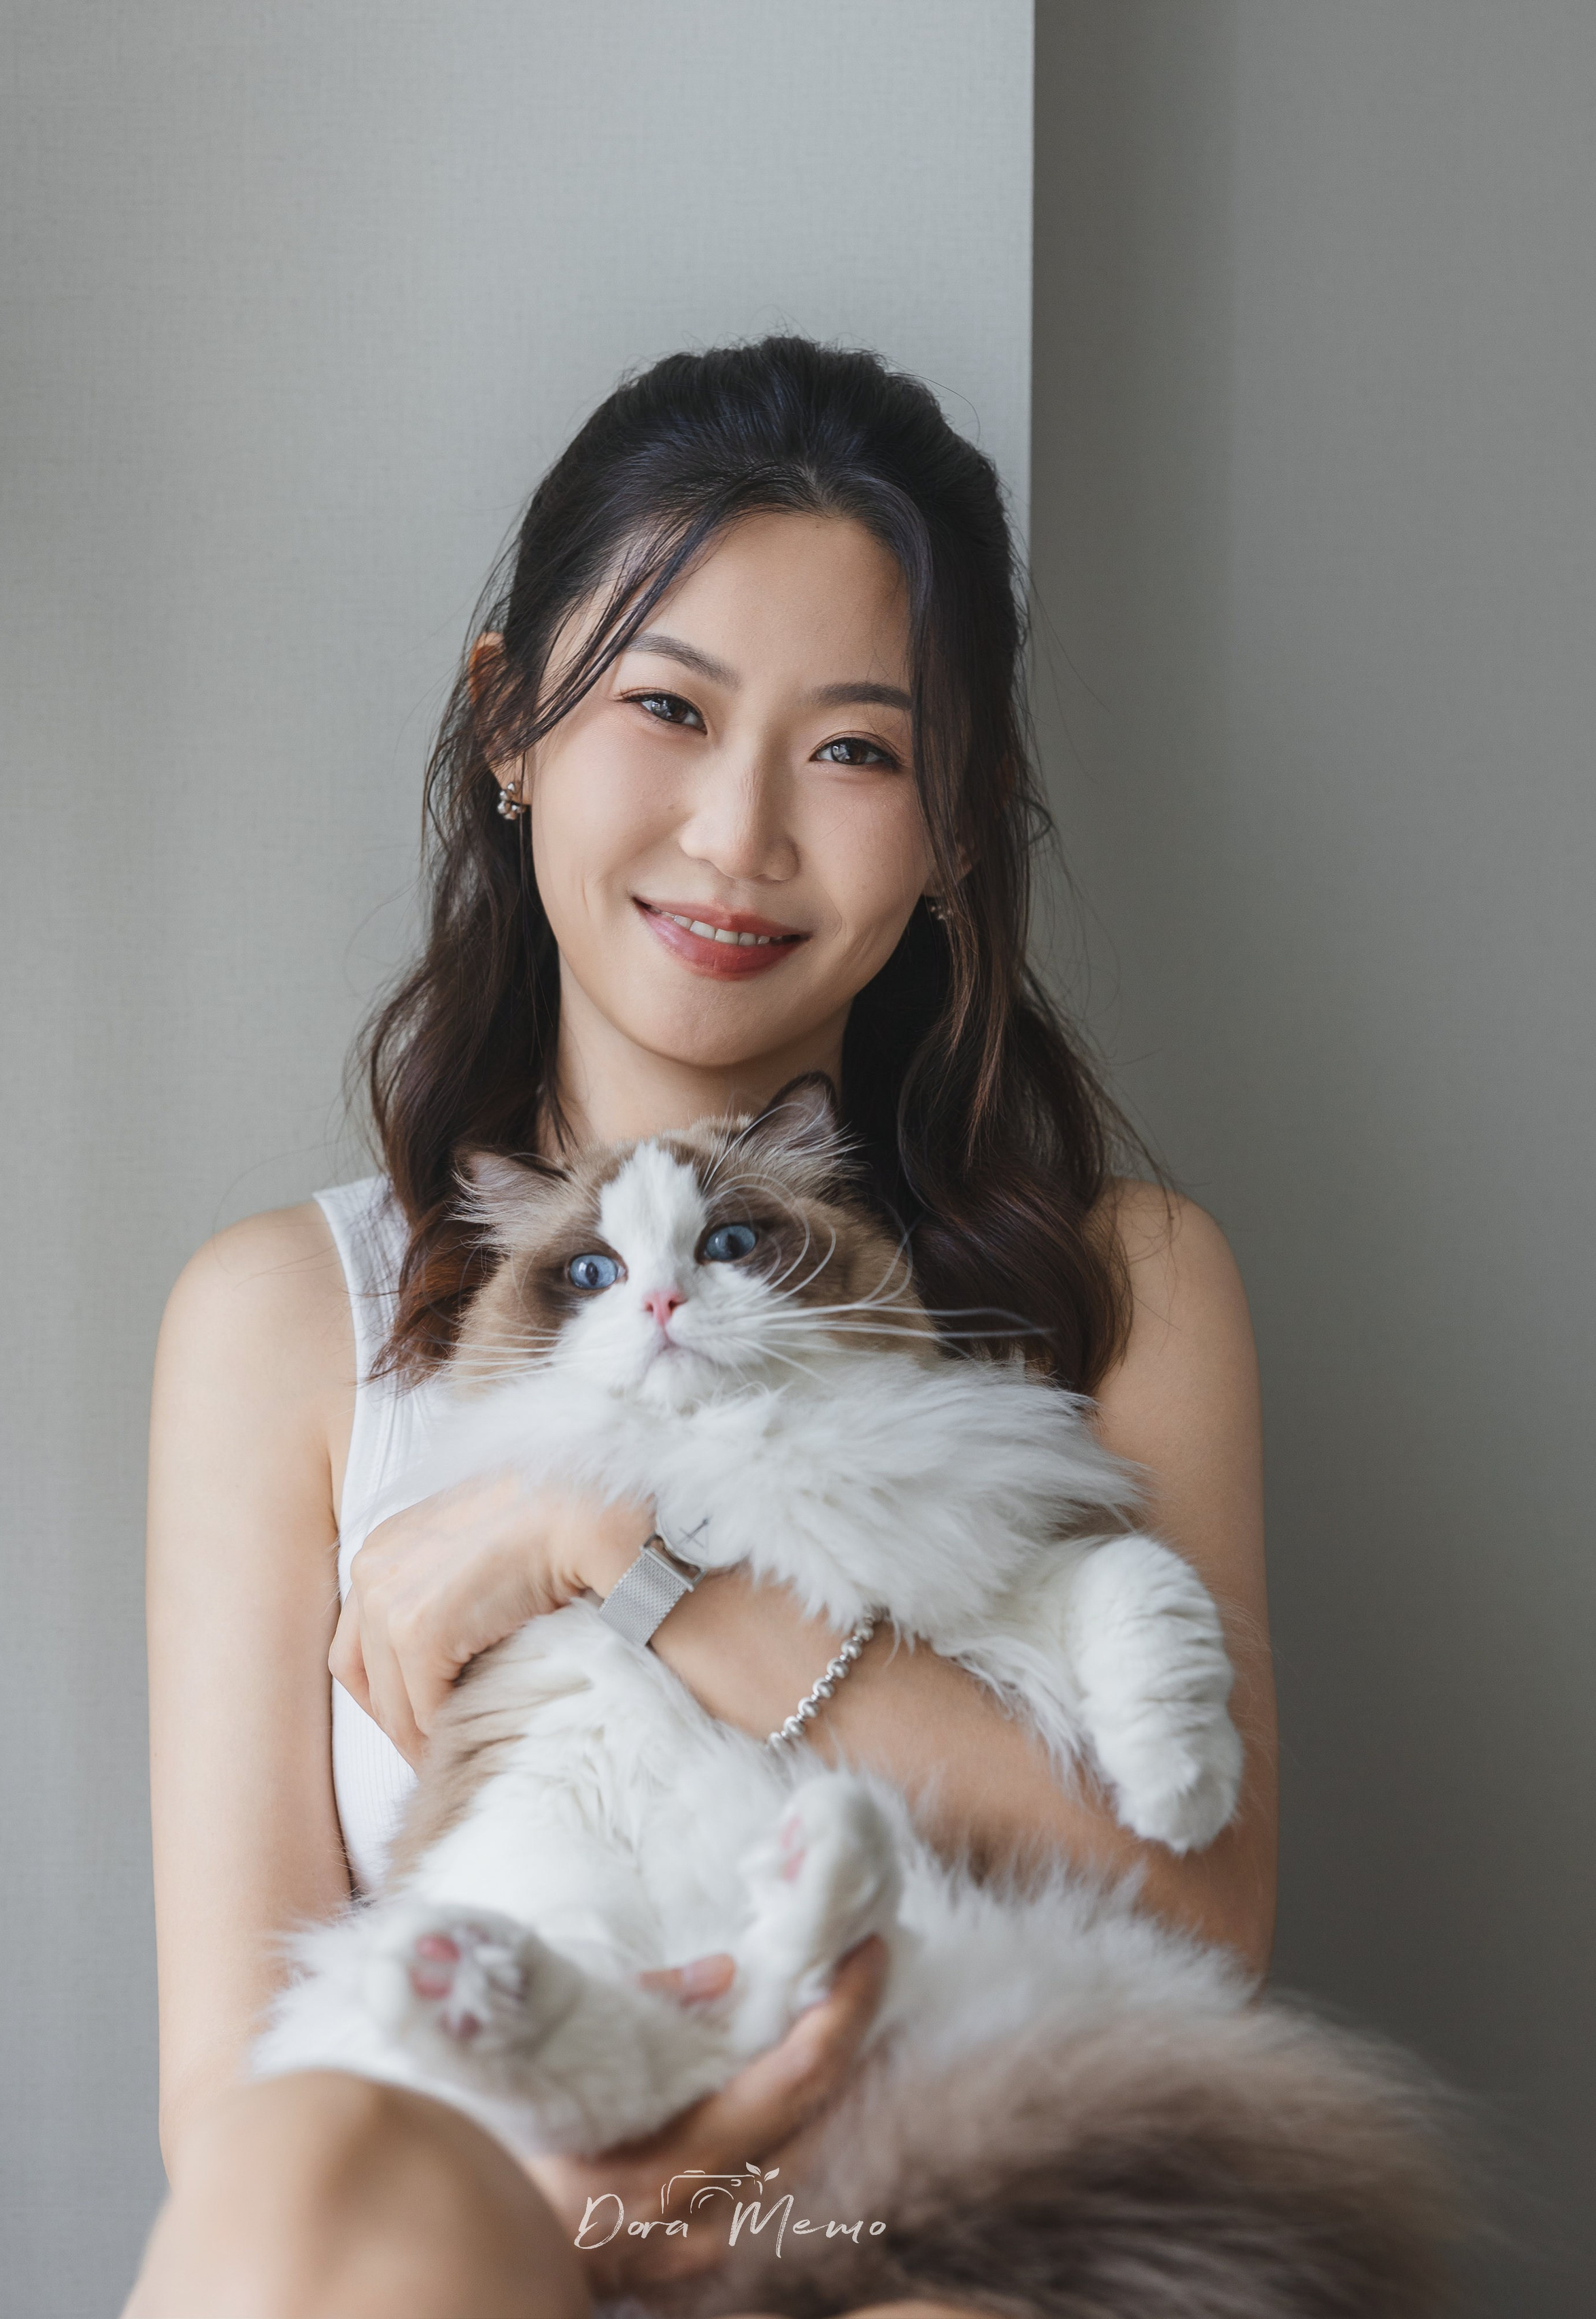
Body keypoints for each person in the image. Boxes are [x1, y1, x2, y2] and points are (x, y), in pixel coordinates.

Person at [126, 337, 1278, 2318]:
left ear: (960, 821)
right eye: (668, 707)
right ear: (509, 722)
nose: (740, 834)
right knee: (304, 2183)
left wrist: (616, 1552)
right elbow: (235, 2110)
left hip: (943, 2214)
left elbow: (1199, 1920)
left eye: (856, 750)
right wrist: (591, 2202)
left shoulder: (1125, 1281)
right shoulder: (283, 1319)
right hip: (486, 2233)